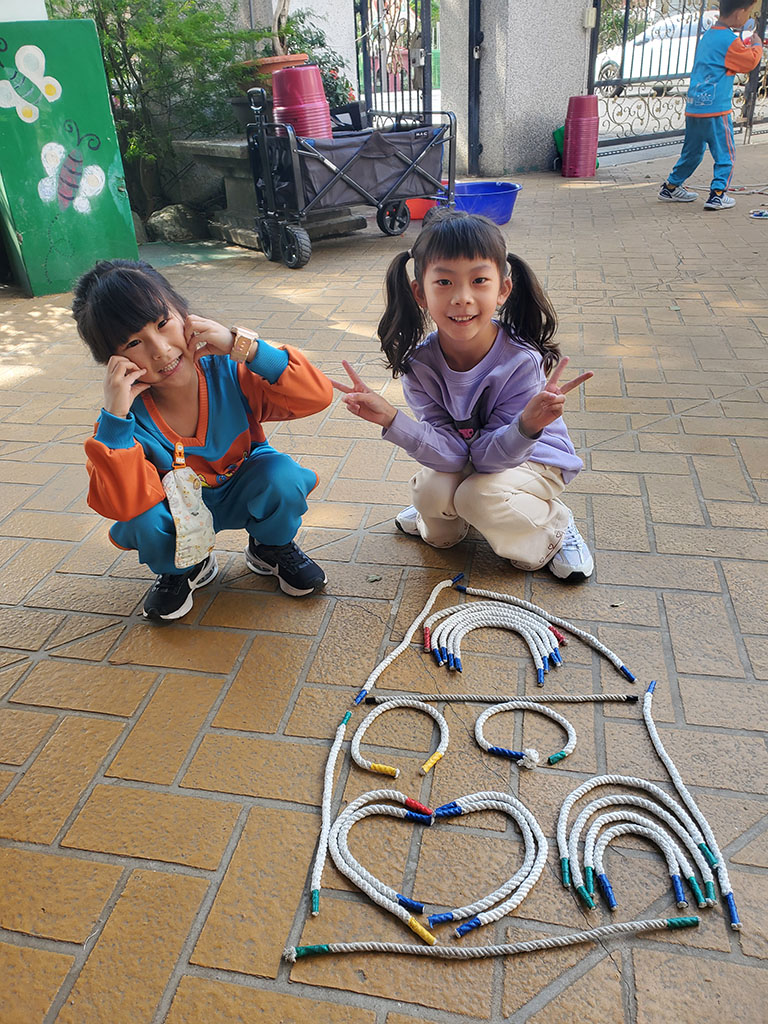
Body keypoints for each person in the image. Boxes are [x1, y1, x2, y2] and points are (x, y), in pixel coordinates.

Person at [332, 209, 595, 582]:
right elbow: (453, 454)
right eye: (444, 282)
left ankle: (554, 525)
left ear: (503, 290)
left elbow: (490, 460)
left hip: (533, 457)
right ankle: (458, 514)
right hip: (476, 457)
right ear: (420, 293)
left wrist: (527, 425)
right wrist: (392, 420)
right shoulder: (420, 363)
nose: (462, 298)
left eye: (479, 280)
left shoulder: (520, 361)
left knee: (476, 497)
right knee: (433, 499)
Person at [73, 259, 333, 620]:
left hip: (243, 485)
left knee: (282, 477)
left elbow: (315, 396)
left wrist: (247, 348)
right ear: (113, 361)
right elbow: (121, 504)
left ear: (184, 313)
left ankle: (270, 547)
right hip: (178, 511)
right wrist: (114, 420)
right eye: (134, 342)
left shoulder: (229, 369)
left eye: (162, 323)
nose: (160, 350)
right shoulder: (125, 420)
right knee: (142, 518)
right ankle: (186, 566)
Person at [658, 2, 763, 211]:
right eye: (748, 13)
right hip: (716, 109)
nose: (748, 17)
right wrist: (757, 45)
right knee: (725, 153)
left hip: (695, 107)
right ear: (739, 14)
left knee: (692, 152)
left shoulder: (709, 36)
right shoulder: (729, 40)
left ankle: (671, 186)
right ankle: (718, 194)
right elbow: (749, 62)